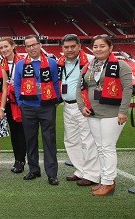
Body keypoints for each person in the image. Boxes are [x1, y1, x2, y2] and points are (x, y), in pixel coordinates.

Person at [76, 35, 133, 196]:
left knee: (107, 147)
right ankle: (106, 180)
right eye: (95, 46)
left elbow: (127, 89)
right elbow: (79, 88)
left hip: (112, 113)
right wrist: (81, 106)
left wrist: (123, 111)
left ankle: (108, 182)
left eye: (102, 46)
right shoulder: (88, 66)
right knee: (100, 147)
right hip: (93, 113)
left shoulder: (121, 65)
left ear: (110, 48)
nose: (98, 49)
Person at [14, 35, 60, 186]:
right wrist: (21, 103)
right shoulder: (20, 64)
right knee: (30, 140)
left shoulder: (52, 63)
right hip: (28, 107)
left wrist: (55, 101)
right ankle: (34, 169)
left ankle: (52, 173)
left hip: (47, 107)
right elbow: (17, 85)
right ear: (25, 48)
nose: (32, 48)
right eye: (28, 46)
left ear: (40, 45)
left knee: (49, 140)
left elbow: (55, 82)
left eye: (34, 44)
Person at [57, 34, 99, 186]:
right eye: (66, 47)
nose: (69, 50)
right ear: (62, 48)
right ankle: (81, 170)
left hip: (84, 106)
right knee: (71, 140)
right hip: (67, 106)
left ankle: (92, 174)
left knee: (87, 140)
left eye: (73, 46)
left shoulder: (90, 60)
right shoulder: (60, 63)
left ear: (79, 46)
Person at [0, 37, 27, 174]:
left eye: (6, 46)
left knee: (24, 132)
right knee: (15, 132)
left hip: (23, 102)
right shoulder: (0, 64)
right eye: (1, 48)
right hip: (9, 103)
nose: (3, 50)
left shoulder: (23, 61)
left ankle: (23, 160)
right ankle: (18, 160)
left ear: (13, 46)